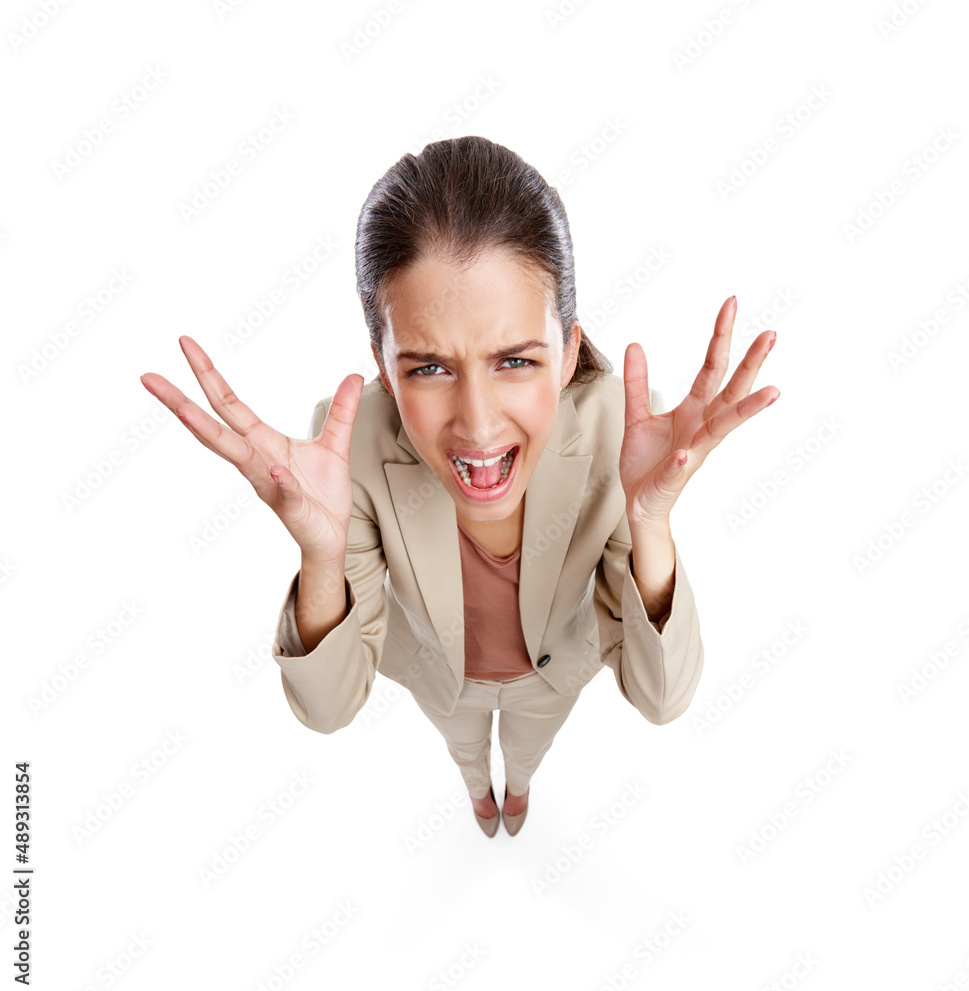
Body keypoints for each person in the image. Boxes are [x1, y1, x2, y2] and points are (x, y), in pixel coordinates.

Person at [139, 136, 779, 838]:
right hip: (441, 676)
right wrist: (321, 558)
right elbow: (327, 709)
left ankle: (521, 785)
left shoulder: (619, 434)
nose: (477, 424)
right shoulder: (345, 448)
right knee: (466, 744)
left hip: (552, 673)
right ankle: (479, 786)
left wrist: (650, 522)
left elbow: (662, 698)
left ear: (568, 353)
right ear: (383, 368)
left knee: (528, 746)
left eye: (514, 360)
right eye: (429, 369)